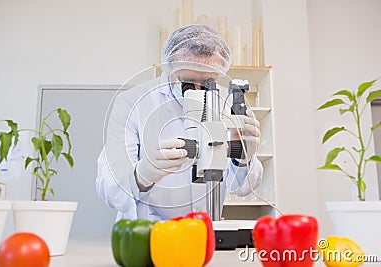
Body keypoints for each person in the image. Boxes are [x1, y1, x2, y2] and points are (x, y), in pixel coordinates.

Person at [96, 24, 263, 221]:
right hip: (146, 232)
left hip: (203, 232)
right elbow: (109, 188)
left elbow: (241, 188)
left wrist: (242, 158)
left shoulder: (224, 102)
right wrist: (142, 175)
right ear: (169, 70)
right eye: (189, 83)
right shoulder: (133, 102)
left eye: (208, 83)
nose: (198, 90)